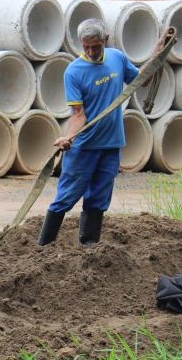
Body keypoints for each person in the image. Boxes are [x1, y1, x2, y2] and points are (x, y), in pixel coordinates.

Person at [37, 18, 139, 248]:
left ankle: (89, 247)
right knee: (66, 197)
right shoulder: (74, 72)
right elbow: (78, 114)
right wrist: (68, 138)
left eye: (96, 46)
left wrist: (158, 55)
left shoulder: (117, 59)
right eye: (86, 47)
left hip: (111, 145)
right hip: (84, 147)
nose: (91, 51)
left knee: (98, 200)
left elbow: (140, 79)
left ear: (106, 40)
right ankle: (43, 248)